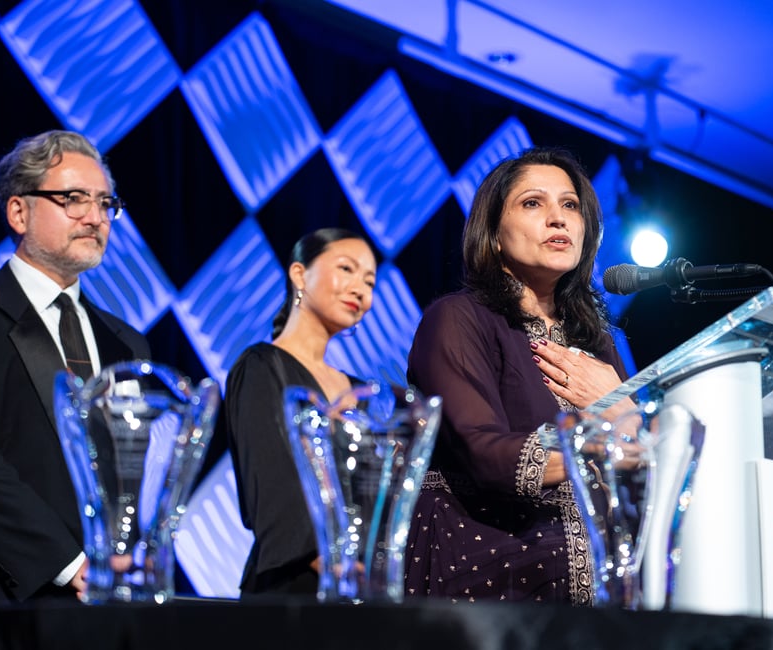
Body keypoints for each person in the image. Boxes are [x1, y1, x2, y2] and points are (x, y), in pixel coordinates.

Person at [0, 130, 151, 610]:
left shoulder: (126, 341)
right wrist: (69, 563)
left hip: (98, 606)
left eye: (105, 203)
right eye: (73, 199)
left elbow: (122, 479)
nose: (94, 217)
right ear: (19, 212)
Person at [402, 146, 632, 605]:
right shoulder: (459, 319)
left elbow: (635, 458)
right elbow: (484, 452)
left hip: (592, 604)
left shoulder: (598, 343)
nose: (558, 218)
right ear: (493, 233)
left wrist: (634, 424)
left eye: (570, 205)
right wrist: (611, 438)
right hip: (482, 586)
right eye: (533, 203)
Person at [223, 227, 377, 596]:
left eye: (369, 282)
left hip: (361, 588)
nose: (360, 288)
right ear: (299, 274)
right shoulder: (262, 366)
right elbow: (272, 482)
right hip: (293, 589)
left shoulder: (362, 391)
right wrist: (334, 566)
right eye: (346, 269)